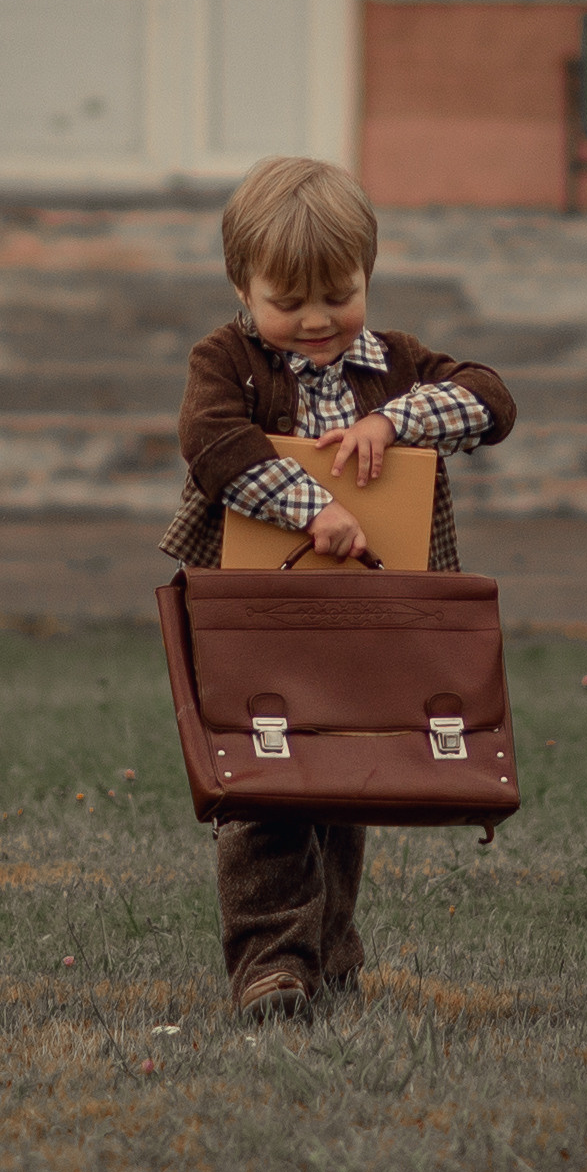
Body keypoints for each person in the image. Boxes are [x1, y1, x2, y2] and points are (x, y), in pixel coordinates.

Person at [160, 156, 515, 1021]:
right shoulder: (227, 361)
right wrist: (311, 507)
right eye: (289, 301)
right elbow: (212, 445)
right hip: (253, 618)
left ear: (368, 274)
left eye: (339, 294)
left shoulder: (394, 364)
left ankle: (330, 950)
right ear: (242, 287)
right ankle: (271, 965)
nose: (317, 320)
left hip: (370, 620)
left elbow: (492, 402)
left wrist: (397, 417)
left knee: (347, 778)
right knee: (265, 777)